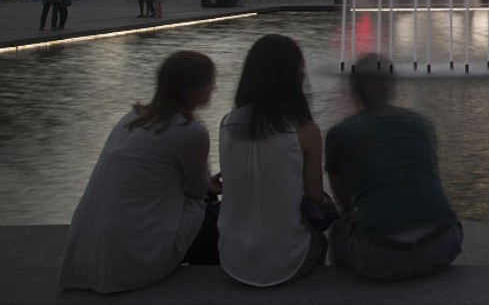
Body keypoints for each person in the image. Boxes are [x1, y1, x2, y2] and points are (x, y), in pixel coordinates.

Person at [59, 51, 221, 293]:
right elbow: (197, 192)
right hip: (130, 259)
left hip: (84, 256)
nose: (214, 87)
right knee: (210, 209)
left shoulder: (131, 118)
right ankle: (207, 286)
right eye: (211, 81)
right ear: (194, 89)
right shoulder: (189, 131)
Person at [325, 54, 462, 280]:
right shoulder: (422, 124)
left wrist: (354, 212)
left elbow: (342, 194)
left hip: (380, 256)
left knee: (341, 226)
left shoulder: (340, 133)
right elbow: (431, 177)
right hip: (443, 245)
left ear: (354, 89)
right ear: (392, 86)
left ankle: (343, 287)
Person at [218, 34, 330, 287]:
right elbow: (315, 200)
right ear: (293, 75)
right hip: (286, 261)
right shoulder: (305, 129)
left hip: (231, 257)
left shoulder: (227, 122)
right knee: (323, 239)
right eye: (301, 66)